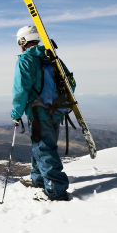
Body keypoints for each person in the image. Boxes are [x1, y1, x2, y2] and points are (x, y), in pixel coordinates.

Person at [11, 26, 71, 201]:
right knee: (42, 145)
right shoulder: (52, 57)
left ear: (22, 41)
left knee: (44, 148)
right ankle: (38, 179)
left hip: (38, 112)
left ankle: (55, 190)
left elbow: (20, 91)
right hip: (57, 110)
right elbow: (70, 83)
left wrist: (16, 113)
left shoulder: (25, 60)